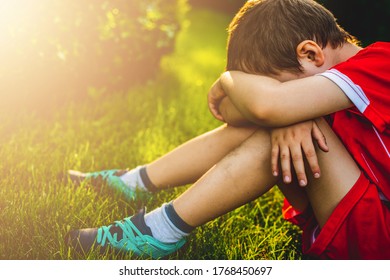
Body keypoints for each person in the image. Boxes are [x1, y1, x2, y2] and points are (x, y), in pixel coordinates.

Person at [65, 0, 390, 259]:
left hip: (378, 240)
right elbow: (238, 113)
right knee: (269, 124)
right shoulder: (328, 88)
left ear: (310, 54)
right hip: (358, 220)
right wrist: (277, 109)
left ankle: (160, 230)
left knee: (270, 129)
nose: (279, 100)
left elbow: (267, 107)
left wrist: (227, 80)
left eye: (273, 84)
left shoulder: (381, 63)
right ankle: (133, 182)